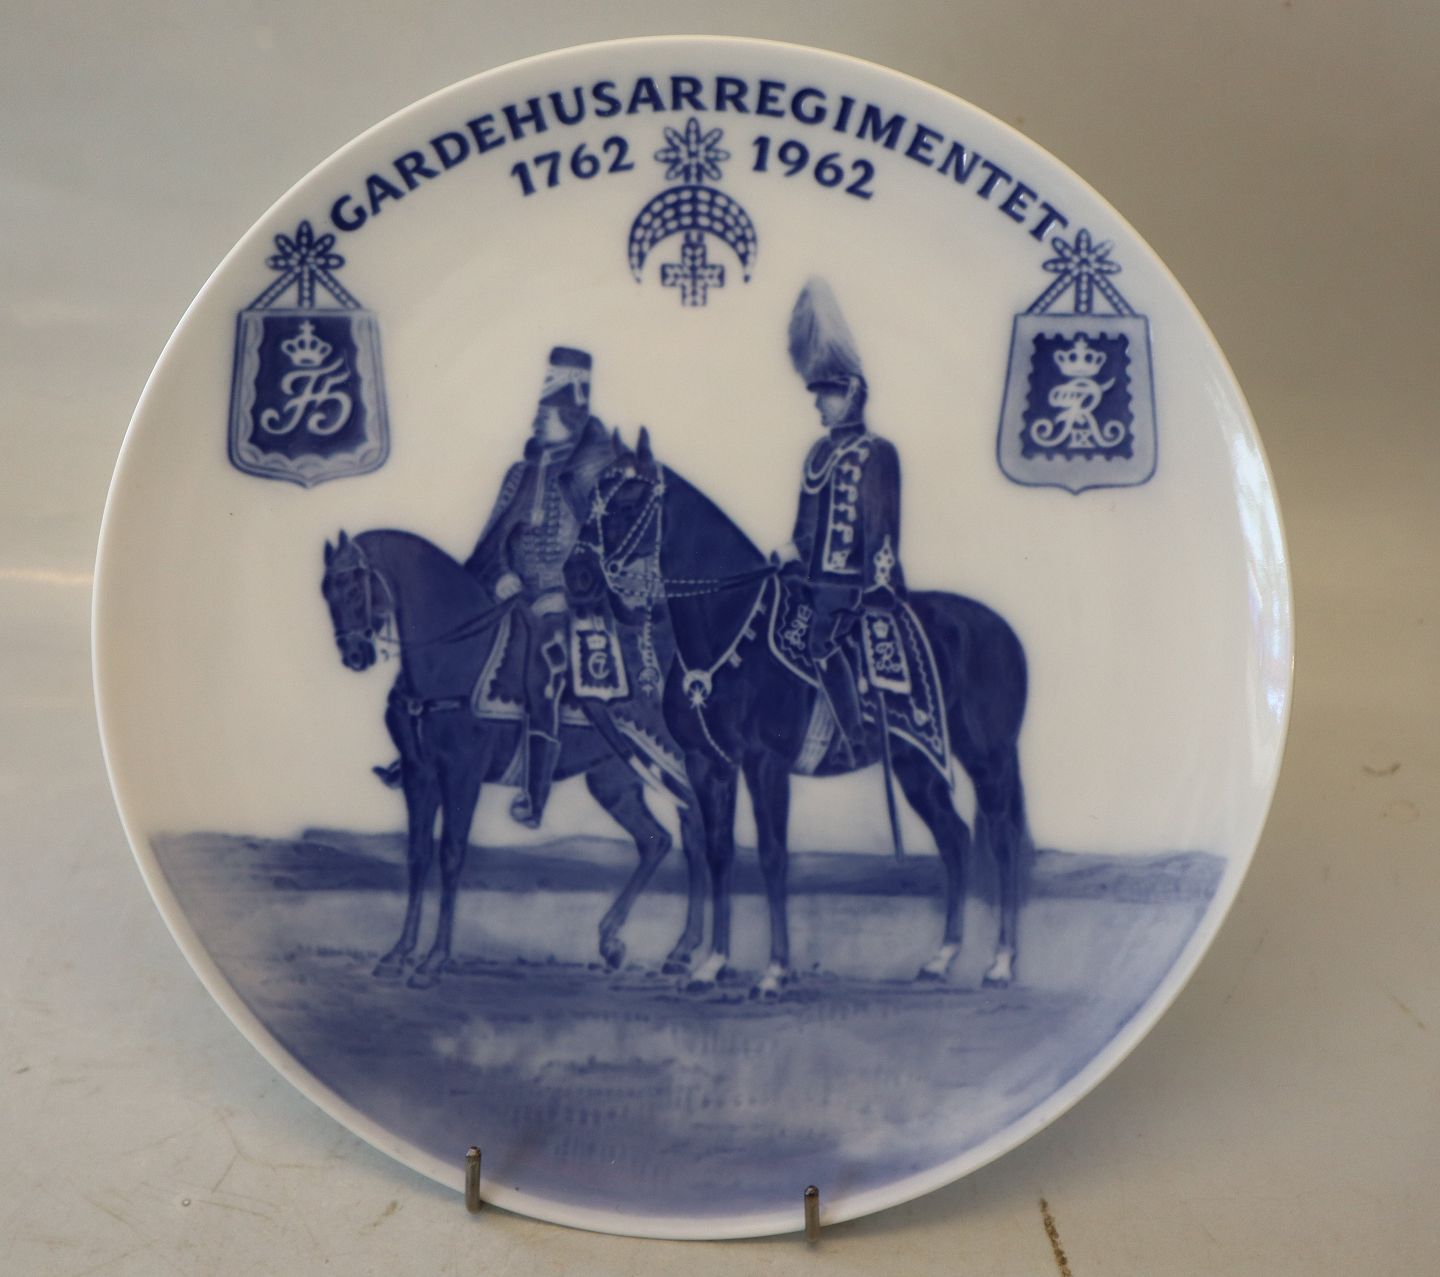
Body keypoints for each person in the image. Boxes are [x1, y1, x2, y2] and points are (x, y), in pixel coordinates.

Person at [465, 345, 618, 826]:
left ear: (570, 419)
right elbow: (491, 540)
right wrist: (499, 575)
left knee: (542, 673)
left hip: (565, 603)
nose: (535, 420)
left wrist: (565, 594)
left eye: (546, 412)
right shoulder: (519, 475)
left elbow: (606, 552)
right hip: (509, 596)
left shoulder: (595, 478)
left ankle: (535, 795)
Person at [773, 280, 904, 762]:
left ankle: (856, 737)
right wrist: (789, 557)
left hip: (854, 588)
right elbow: (805, 527)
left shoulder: (876, 452)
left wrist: (877, 589)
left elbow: (881, 530)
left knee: (821, 643)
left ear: (850, 393)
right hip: (812, 583)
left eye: (825, 394)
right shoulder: (817, 453)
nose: (817, 403)